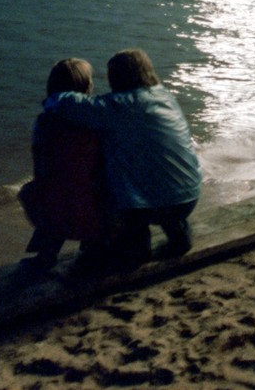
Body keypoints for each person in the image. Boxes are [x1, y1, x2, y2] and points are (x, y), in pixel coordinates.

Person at [43, 49, 202, 268]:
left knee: (111, 180)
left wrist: (54, 98)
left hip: (155, 205)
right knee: (153, 163)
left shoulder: (120, 106)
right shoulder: (165, 96)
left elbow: (69, 104)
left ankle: (136, 247)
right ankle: (178, 235)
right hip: (190, 196)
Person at [17, 58, 109, 271]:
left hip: (56, 215)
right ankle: (92, 246)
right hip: (91, 214)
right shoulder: (96, 122)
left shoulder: (44, 122)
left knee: (45, 189)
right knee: (94, 187)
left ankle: (46, 253)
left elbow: (41, 168)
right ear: (86, 87)